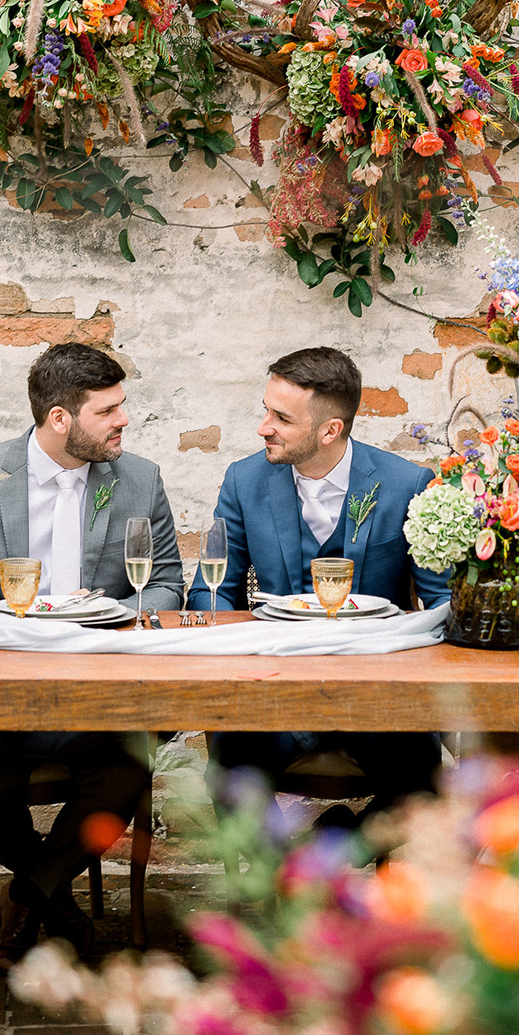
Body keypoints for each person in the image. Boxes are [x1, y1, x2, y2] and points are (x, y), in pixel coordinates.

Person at [0, 341, 183, 971]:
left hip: (99, 693)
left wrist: (116, 612)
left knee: (128, 766)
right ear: (60, 419)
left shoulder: (140, 479)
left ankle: (28, 892)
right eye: (109, 410)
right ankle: (56, 898)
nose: (124, 420)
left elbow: (168, 584)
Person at [188, 346, 449, 816]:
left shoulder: (406, 484)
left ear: (331, 430)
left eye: (281, 418)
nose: (264, 426)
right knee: (228, 768)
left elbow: (441, 605)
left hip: (377, 700)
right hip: (274, 698)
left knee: (425, 777)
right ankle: (282, 874)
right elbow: (213, 590)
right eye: (266, 411)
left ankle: (336, 851)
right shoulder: (243, 481)